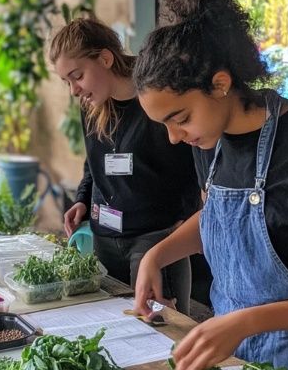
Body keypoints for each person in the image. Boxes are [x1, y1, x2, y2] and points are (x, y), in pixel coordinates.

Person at [133, 0, 288, 370]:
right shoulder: (208, 141)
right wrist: (158, 253)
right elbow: (219, 219)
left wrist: (246, 321)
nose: (173, 137)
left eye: (179, 118)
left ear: (220, 84)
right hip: (236, 369)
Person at [49, 18, 200, 315]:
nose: (73, 90)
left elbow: (193, 163)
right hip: (104, 235)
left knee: (158, 331)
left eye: (76, 76)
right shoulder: (92, 106)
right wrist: (82, 197)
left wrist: (186, 220)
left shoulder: (157, 98)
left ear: (105, 58)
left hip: (154, 237)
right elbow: (95, 161)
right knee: (114, 324)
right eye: (66, 81)